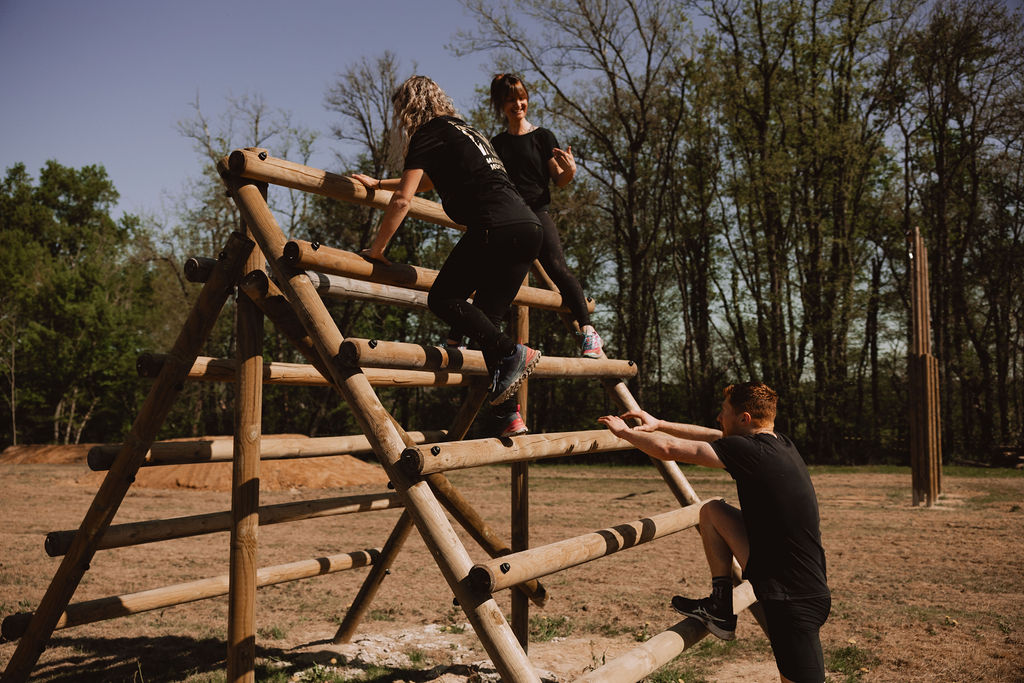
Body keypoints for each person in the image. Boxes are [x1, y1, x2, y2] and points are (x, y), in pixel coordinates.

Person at [598, 382, 830, 683]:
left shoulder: (750, 451)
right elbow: (712, 436)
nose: (719, 418)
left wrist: (624, 433)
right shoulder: (778, 443)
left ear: (744, 418)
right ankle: (721, 605)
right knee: (713, 511)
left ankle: (721, 607)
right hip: (791, 582)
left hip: (793, 599)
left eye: (724, 411)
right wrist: (659, 423)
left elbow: (668, 449)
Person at [350, 75, 542, 408]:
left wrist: (377, 249)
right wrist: (379, 183)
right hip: (528, 229)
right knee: (487, 322)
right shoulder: (465, 131)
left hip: (494, 227)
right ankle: (509, 416)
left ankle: (514, 352)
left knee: (442, 298)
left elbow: (404, 199)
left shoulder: (427, 133)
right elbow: (426, 182)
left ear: (409, 108)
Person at [487, 73, 602, 360]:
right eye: (511, 100)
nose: (518, 104)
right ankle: (483, 340)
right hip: (511, 217)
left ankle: (588, 331)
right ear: (501, 105)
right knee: (498, 277)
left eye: (522, 98)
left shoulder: (542, 137)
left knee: (557, 267)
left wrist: (570, 171)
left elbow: (560, 178)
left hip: (538, 213)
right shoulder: (497, 143)